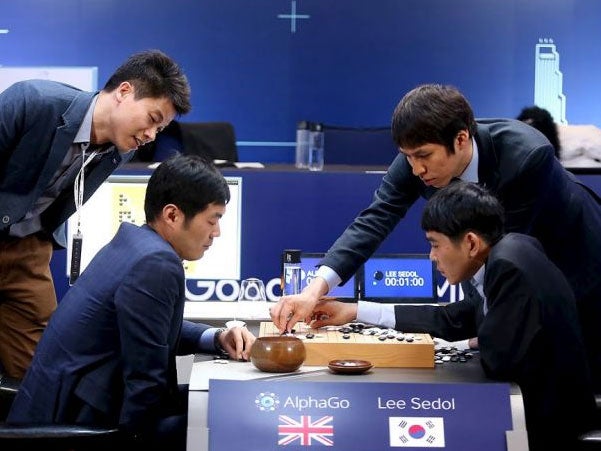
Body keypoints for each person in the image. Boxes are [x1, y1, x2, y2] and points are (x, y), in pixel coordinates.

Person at [271, 83, 601, 392]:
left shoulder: (527, 159)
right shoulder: (417, 157)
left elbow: (502, 264)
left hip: (580, 258)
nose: (416, 170)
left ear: (460, 139)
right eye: (408, 156)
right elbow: (375, 219)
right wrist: (314, 291)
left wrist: (487, 326)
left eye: (423, 156)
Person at [307, 182, 597, 450]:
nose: (432, 257)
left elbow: (498, 360)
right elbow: (458, 318)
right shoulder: (512, 248)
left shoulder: (509, 270)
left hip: (547, 428)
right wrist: (355, 311)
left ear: (470, 243)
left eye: (435, 244)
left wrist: (472, 339)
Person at [7, 154, 256, 451]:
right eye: (212, 220)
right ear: (173, 215)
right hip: (77, 425)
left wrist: (215, 337)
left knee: (209, 403)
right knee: (224, 418)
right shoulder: (157, 263)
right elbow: (146, 384)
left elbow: (149, 329)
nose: (217, 233)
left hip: (64, 404)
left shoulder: (132, 243)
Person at [0, 49, 192, 379]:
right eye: (152, 119)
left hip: (27, 251)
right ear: (125, 91)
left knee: (41, 375)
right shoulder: (33, 101)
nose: (150, 136)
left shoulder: (117, 151)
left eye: (159, 130)